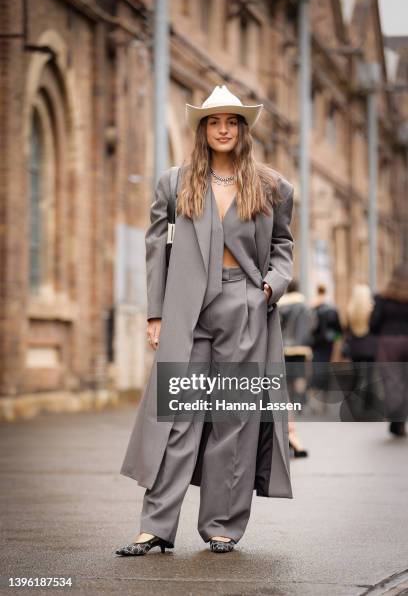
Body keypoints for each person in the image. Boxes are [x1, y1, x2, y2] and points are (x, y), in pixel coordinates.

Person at [115, 84, 295, 556]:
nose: (222, 129)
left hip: (245, 305)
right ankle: (155, 527)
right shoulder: (174, 183)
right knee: (176, 417)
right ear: (202, 129)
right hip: (186, 309)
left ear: (242, 129)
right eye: (213, 122)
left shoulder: (272, 186)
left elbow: (283, 248)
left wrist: (270, 287)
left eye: (231, 121)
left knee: (233, 419)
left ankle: (222, 526)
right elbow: (157, 251)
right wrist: (155, 312)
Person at [369, 263, 408, 437]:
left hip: (389, 342)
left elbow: (373, 324)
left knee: (392, 382)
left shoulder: (382, 298)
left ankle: (396, 420)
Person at [278, 279, 315, 457]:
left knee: (284, 379)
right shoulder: (303, 305)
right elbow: (310, 327)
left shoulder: (281, 305)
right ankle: (299, 401)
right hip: (300, 347)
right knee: (299, 377)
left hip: (283, 347)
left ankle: (290, 401)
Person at [340, 284, 379, 421]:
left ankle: (350, 405)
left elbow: (345, 330)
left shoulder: (350, 310)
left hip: (355, 348)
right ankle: (369, 408)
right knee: (370, 378)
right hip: (371, 348)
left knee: (355, 377)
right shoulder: (372, 310)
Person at [310, 284, 342, 401]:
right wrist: (335, 339)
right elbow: (338, 330)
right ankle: (324, 393)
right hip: (328, 342)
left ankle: (315, 393)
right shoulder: (331, 307)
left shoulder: (313, 306)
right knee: (326, 365)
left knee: (317, 366)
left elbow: (311, 327)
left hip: (316, 342)